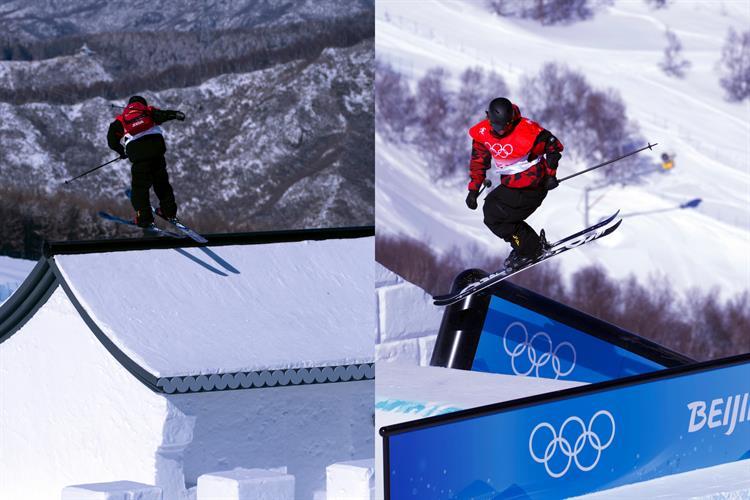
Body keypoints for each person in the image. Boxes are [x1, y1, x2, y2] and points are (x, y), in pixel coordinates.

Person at [465, 97, 564, 270]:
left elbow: (553, 146)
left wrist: (550, 175)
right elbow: (478, 161)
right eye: (496, 126)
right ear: (489, 118)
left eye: (505, 126)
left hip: (533, 186)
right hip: (512, 185)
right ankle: (528, 246)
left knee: (496, 215)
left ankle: (529, 249)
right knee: (492, 212)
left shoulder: (527, 130)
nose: (501, 131)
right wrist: (473, 190)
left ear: (511, 120)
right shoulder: (483, 133)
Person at [107, 95, 186, 229]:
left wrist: (122, 152)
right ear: (142, 104)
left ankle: (144, 218)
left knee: (140, 189)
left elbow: (111, 139)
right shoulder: (148, 111)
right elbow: (164, 114)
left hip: (139, 157)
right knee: (162, 184)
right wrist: (176, 114)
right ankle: (169, 212)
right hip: (157, 152)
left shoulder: (121, 120)